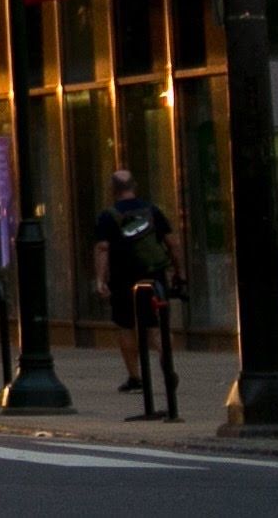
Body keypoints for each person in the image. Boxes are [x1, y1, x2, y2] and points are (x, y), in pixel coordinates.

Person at [91, 167, 181, 392]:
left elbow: (103, 248)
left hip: (123, 279)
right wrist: (180, 273)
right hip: (153, 276)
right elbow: (173, 244)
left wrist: (100, 280)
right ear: (134, 187)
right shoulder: (152, 211)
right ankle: (167, 366)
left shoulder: (107, 216)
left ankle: (135, 378)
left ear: (113, 190)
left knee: (125, 325)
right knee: (156, 326)